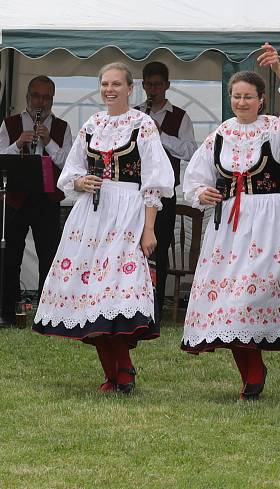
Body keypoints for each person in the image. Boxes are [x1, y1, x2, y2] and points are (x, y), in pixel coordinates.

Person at [180, 43, 280, 401]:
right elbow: (193, 178)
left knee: (249, 296)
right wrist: (203, 194)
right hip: (228, 223)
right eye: (236, 96)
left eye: (248, 97)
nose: (241, 102)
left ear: (261, 100)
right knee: (228, 301)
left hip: (267, 218)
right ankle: (252, 374)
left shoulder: (275, 130)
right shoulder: (220, 135)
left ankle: (255, 369)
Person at [32, 62, 174, 394]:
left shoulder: (143, 124)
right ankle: (112, 373)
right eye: (105, 84)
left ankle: (123, 369)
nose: (110, 90)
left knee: (114, 287)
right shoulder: (93, 124)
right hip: (90, 215)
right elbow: (70, 172)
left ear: (129, 88)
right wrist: (81, 180)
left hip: (127, 211)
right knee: (88, 291)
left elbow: (155, 181)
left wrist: (148, 229)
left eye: (116, 84)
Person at [0, 76, 73, 324]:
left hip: (47, 199)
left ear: (52, 99)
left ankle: (47, 315)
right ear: (27, 96)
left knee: (49, 256)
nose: (40, 102)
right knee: (10, 257)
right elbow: (0, 158)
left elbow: (67, 164)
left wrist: (48, 141)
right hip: (16, 198)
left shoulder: (62, 127)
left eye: (46, 97)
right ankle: (7, 312)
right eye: (36, 96)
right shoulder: (10, 123)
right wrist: (18, 142)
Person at [135, 61, 198, 325]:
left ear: (167, 86)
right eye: (149, 85)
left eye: (158, 85)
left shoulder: (180, 117)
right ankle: (133, 305)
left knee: (158, 250)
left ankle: (155, 309)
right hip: (135, 193)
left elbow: (191, 152)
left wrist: (160, 135)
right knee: (131, 249)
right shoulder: (134, 113)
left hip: (164, 194)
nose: (153, 89)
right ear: (142, 85)